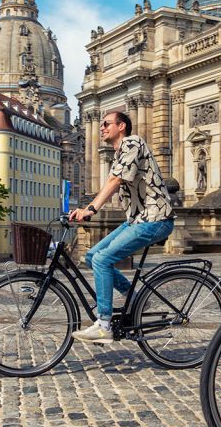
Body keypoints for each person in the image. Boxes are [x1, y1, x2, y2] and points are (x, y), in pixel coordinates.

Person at [68, 111, 174, 344]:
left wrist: (91, 210)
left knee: (103, 260)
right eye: (102, 124)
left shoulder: (132, 142)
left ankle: (104, 324)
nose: (102, 128)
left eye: (106, 124)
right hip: (137, 220)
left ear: (122, 126)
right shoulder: (118, 154)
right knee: (91, 255)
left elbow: (116, 182)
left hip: (155, 219)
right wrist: (83, 210)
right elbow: (110, 182)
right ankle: (135, 298)